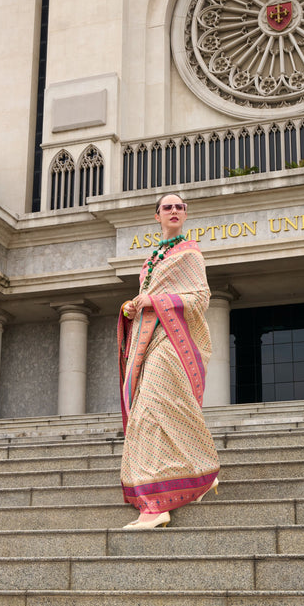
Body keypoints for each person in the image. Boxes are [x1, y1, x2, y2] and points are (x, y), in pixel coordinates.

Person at [117, 193, 220, 529]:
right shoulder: (150, 261)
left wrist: (154, 299)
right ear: (157, 215)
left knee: (153, 408)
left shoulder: (190, 253)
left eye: (179, 207)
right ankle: (200, 471)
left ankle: (156, 504)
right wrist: (134, 306)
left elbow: (201, 297)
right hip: (149, 338)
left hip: (174, 339)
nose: (173, 211)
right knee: (162, 407)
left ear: (186, 214)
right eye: (167, 207)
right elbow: (146, 296)